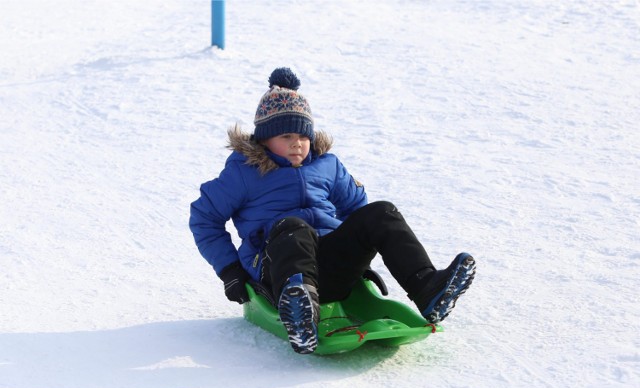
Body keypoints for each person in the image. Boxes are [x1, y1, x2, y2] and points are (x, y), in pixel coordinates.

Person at [189, 67, 476, 354]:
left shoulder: (328, 166)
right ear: (264, 139)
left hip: (329, 265)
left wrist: (360, 263)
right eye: (286, 135)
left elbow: (356, 212)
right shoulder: (244, 172)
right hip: (275, 268)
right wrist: (230, 270)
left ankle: (428, 288)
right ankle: (299, 311)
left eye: (303, 135)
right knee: (293, 227)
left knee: (381, 213)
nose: (297, 143)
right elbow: (205, 218)